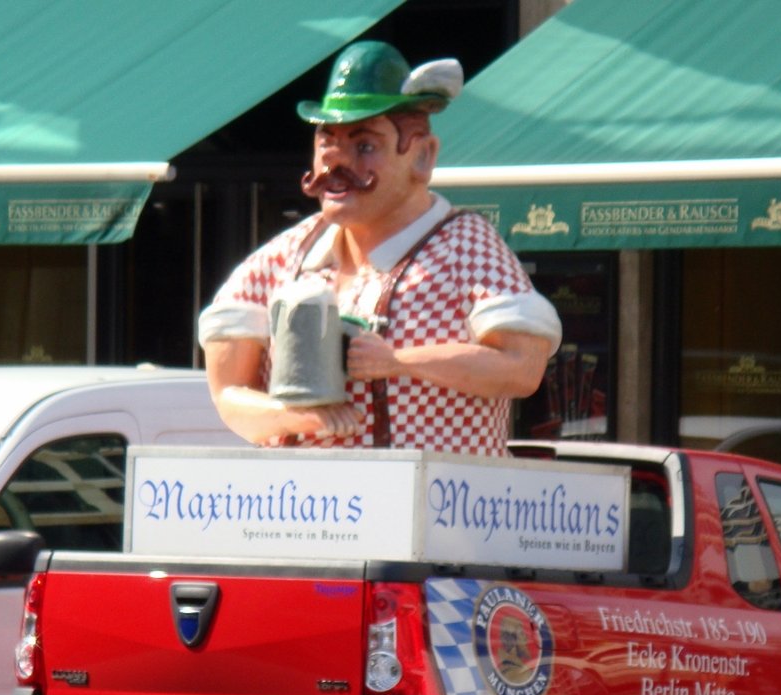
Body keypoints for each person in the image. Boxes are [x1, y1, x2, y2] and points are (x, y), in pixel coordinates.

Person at [197, 41, 561, 455]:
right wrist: (295, 416)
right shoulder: (282, 259)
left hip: (432, 506)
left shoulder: (466, 249)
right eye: (325, 142)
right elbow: (227, 392)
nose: (336, 164)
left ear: (423, 157)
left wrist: (399, 362)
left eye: (364, 146)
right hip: (303, 509)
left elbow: (522, 368)